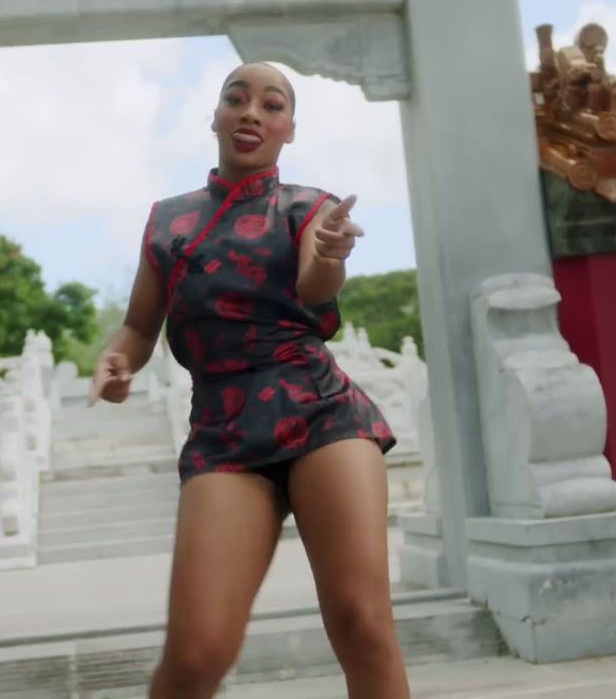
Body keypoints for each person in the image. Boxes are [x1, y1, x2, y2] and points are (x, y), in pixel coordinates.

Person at [88, 62, 410, 699]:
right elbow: (138, 327)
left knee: (362, 623)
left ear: (289, 129)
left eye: (272, 104)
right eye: (237, 99)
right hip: (223, 432)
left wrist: (329, 255)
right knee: (195, 654)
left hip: (320, 413)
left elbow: (314, 288)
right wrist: (117, 360)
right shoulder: (168, 221)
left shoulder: (309, 208)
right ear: (215, 116)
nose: (252, 112)